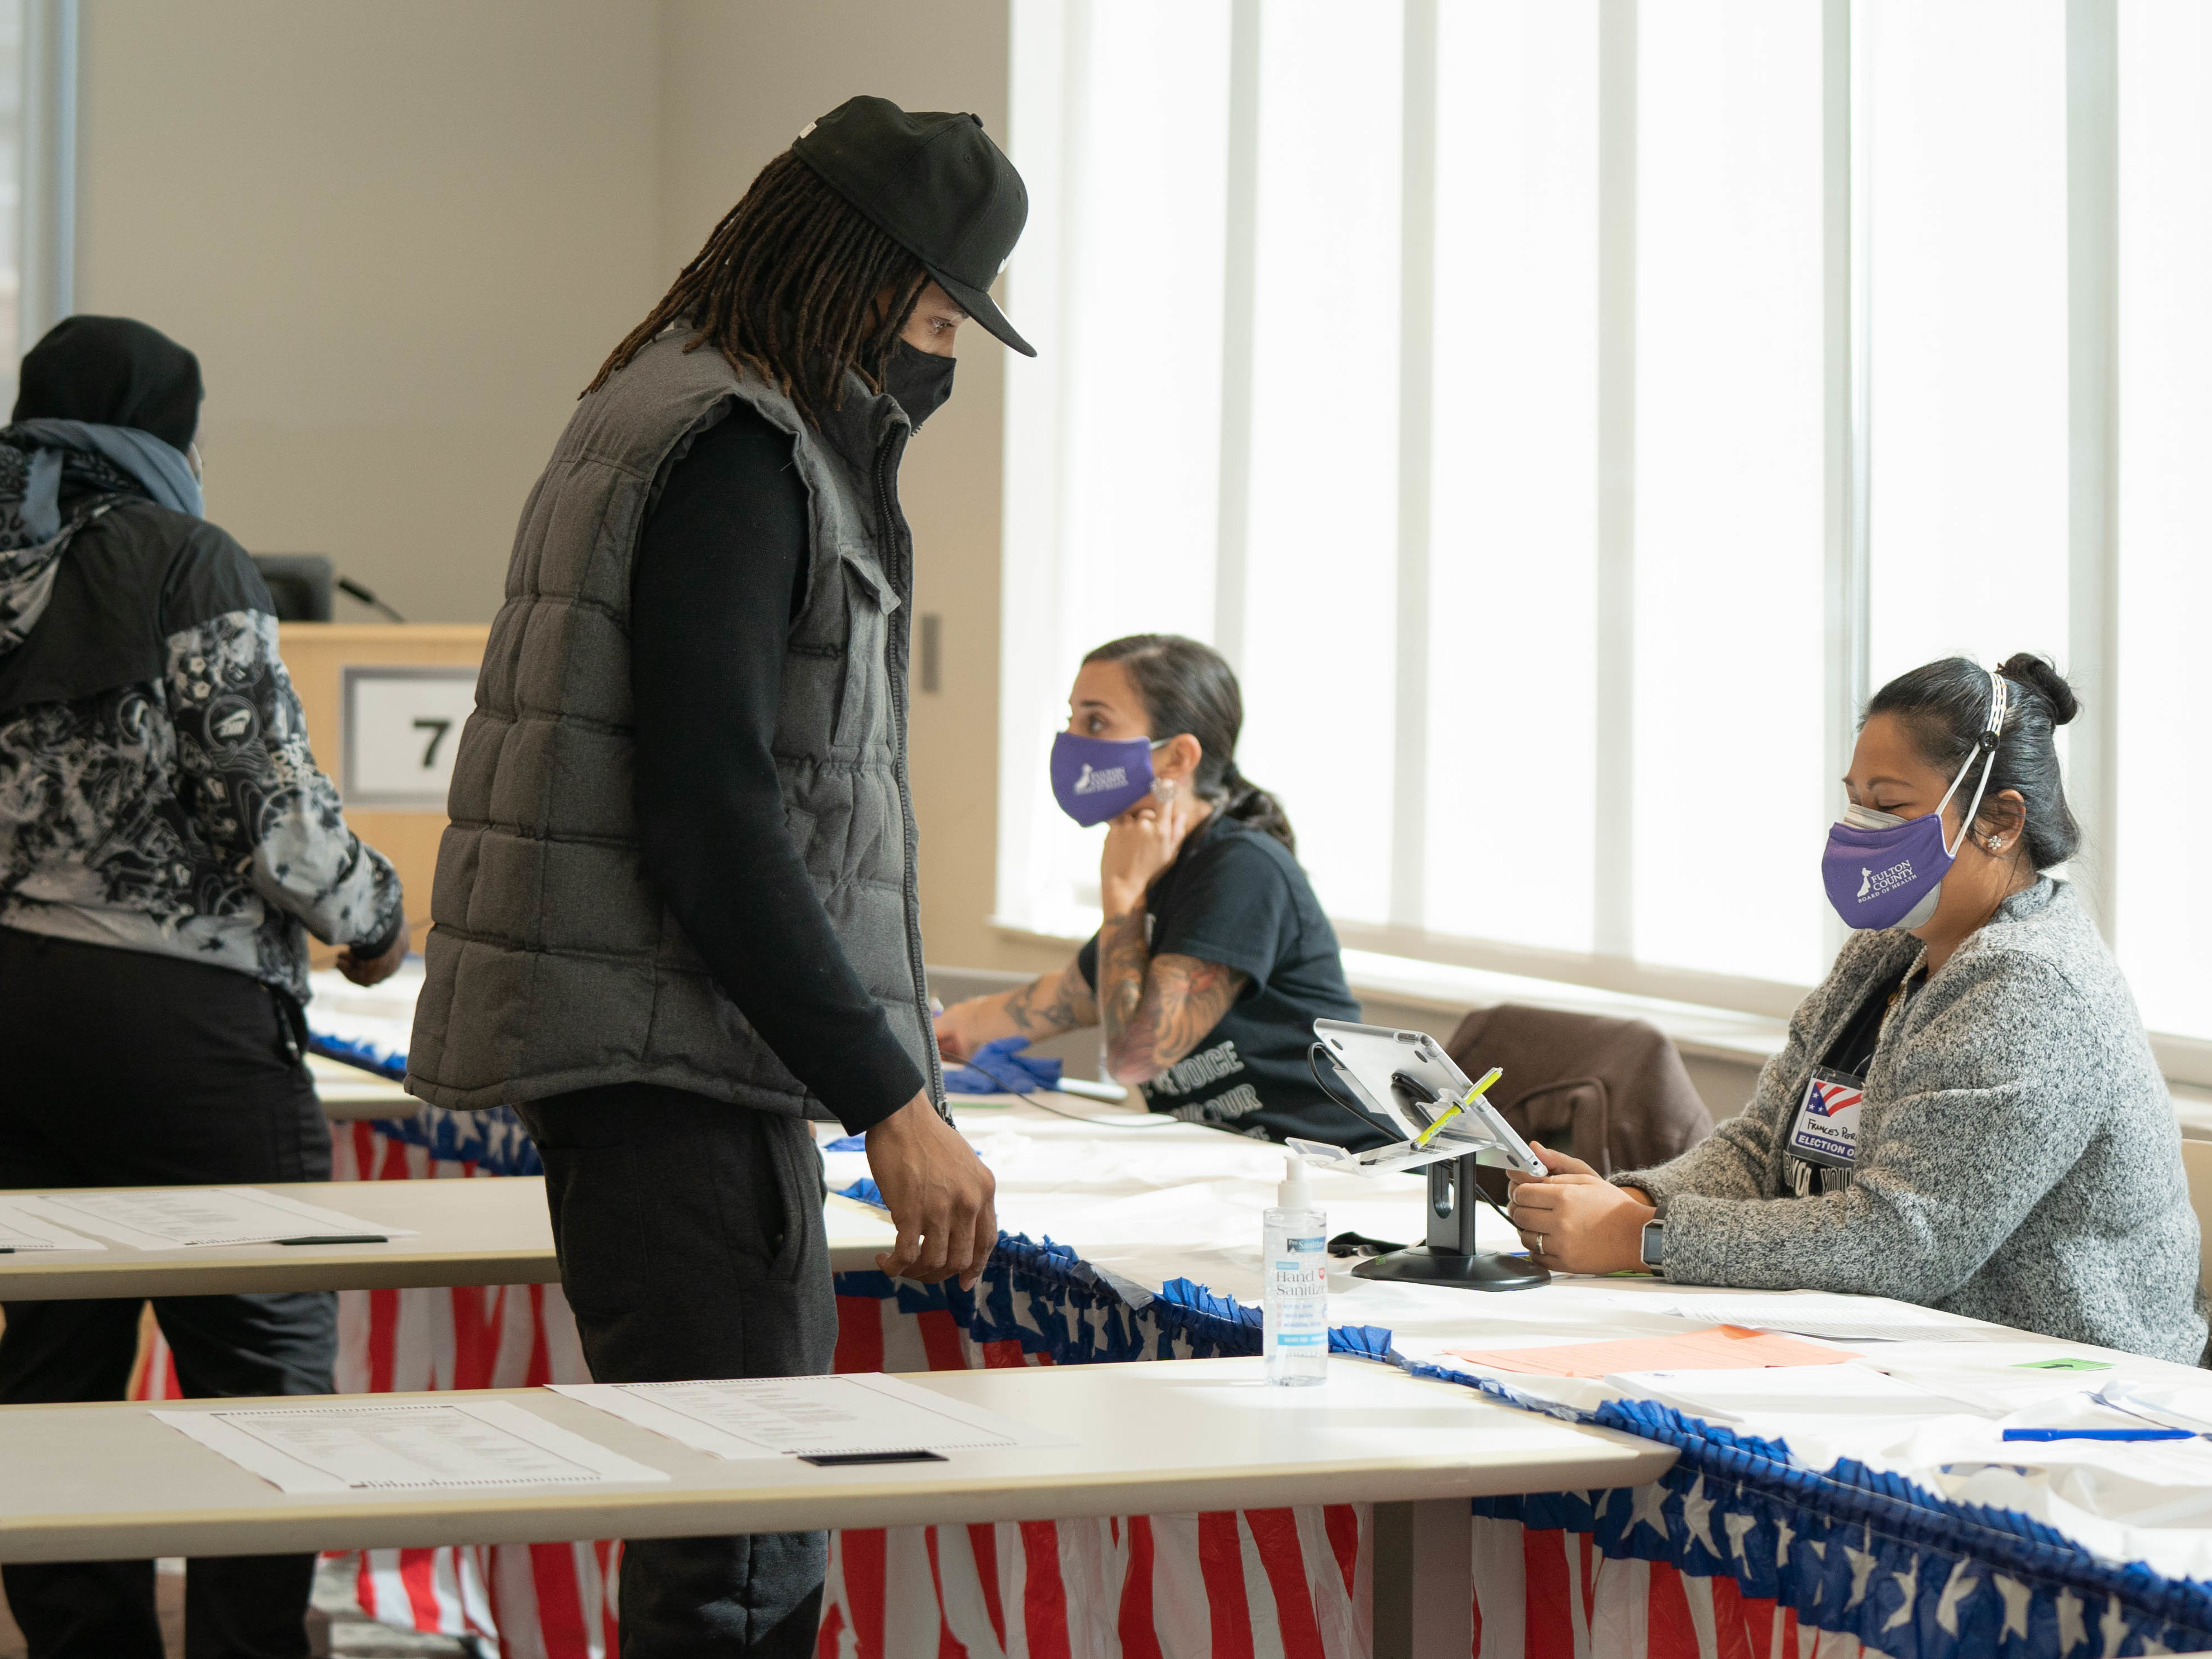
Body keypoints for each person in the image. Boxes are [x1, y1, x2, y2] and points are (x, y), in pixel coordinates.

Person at [405, 98, 1017, 1656]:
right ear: (866, 276)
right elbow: (713, 816)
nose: (939, 355)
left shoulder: (663, 395)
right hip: (687, 1060)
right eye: (939, 312)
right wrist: (889, 1093)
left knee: (718, 1531)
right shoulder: (745, 446)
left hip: (664, 1050)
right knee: (742, 1557)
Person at [0, 315, 408, 1659]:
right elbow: (266, 812)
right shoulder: (186, 558)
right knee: (263, 1370)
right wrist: (376, 914)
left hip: (13, 1015)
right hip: (180, 1023)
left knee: (52, 1375)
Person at [1504, 653, 2208, 1364]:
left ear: (1998, 820)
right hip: (1900, 1356)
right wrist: (1629, 1203)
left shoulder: (2035, 989)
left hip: (2069, 1387)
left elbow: (1904, 1241)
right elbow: (1760, 1149)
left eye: (1890, 803)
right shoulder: (1887, 950)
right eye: (1855, 800)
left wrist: (1644, 1239)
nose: (1859, 828)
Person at [936, 634, 1381, 1149]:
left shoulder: (1243, 869)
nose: (1070, 739)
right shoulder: (1169, 870)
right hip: (1241, 1169)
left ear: (1176, 758)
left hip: (1337, 1179)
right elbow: (1064, 999)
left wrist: (1122, 894)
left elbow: (1134, 1057)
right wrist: (937, 1029)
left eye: (1095, 721)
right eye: (1071, 719)